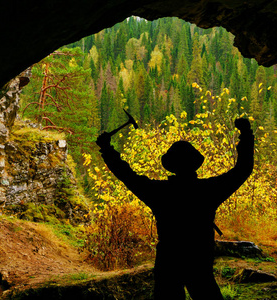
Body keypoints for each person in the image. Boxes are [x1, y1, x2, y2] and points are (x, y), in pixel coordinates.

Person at [96, 118, 254, 300]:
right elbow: (243, 169)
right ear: (195, 164)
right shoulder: (209, 190)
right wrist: (246, 134)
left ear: (170, 165)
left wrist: (107, 150)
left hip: (169, 261)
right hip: (199, 259)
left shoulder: (159, 192)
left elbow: (127, 175)